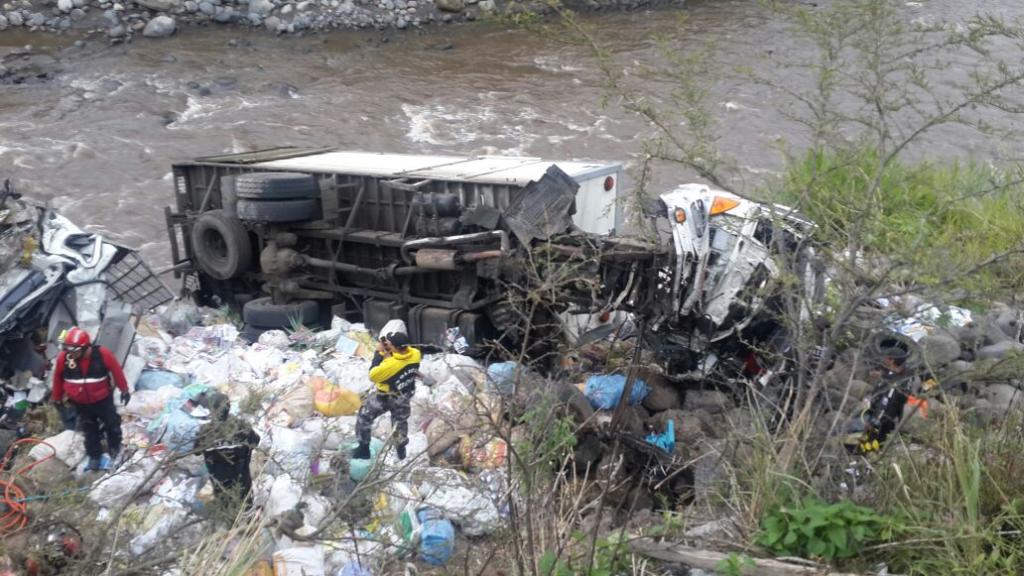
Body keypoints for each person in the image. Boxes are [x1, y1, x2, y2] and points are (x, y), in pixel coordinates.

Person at [50, 327, 130, 471]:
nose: (71, 354)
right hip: (81, 403)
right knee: (89, 429)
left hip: (102, 399)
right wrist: (56, 397)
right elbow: (58, 378)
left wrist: (124, 389)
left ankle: (115, 448)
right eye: (69, 350)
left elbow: (116, 370)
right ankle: (95, 455)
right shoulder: (65, 358)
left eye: (75, 351)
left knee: (112, 424)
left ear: (86, 347)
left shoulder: (103, 354)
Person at [354, 331, 422, 461]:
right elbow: (401, 358)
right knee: (399, 423)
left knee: (364, 416)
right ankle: (401, 451)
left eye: (389, 344)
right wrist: (391, 350)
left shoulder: (390, 365)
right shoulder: (416, 354)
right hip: (404, 394)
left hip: (385, 397)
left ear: (395, 347)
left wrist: (379, 353)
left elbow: (373, 375)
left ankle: (363, 449)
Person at [195, 392, 260, 508]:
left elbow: (196, 451)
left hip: (219, 480)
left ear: (211, 410)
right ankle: (246, 520)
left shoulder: (205, 432)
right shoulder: (242, 427)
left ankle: (230, 520)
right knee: (245, 505)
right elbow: (255, 442)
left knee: (224, 505)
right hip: (241, 478)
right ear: (229, 408)